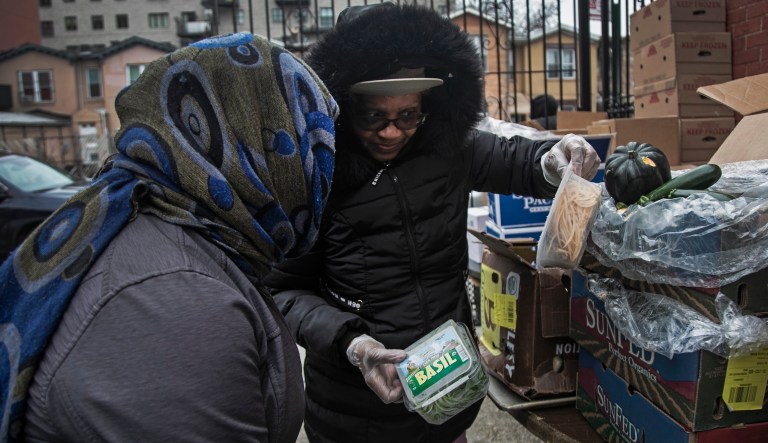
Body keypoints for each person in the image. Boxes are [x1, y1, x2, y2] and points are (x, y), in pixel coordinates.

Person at [264, 3, 600, 443]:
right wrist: (355, 345)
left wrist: (554, 158)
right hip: (354, 411)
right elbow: (283, 291)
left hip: (448, 393)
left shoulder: (448, 146)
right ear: (343, 105)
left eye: (408, 115)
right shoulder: (315, 177)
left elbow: (516, 160)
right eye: (372, 117)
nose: (391, 132)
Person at [0, 32, 337, 443]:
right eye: (315, 143)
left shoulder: (183, 230)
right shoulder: (180, 300)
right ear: (265, 148)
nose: (325, 171)